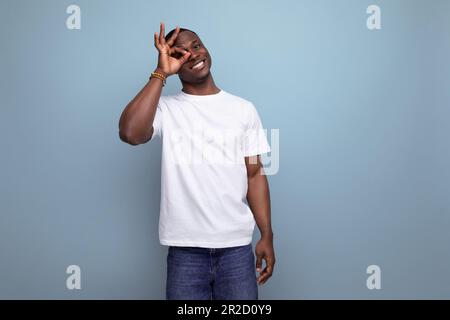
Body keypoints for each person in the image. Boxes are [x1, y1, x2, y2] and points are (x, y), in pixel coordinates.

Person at [118, 22, 275, 300]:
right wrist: (160, 73)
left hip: (236, 248)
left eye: (197, 46)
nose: (193, 55)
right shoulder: (165, 108)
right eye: (181, 53)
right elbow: (130, 133)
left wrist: (266, 234)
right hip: (185, 251)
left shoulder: (243, 109)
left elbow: (254, 174)